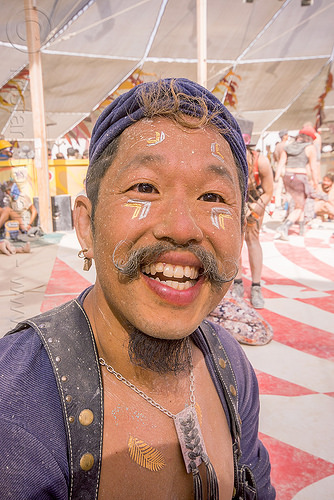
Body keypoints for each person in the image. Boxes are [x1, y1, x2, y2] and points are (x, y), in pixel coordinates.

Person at [0, 78, 275, 499]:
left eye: (213, 196)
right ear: (86, 226)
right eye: (145, 188)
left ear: (241, 230)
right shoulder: (17, 405)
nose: (182, 228)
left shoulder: (231, 368)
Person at [232, 145, 273, 309]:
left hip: (257, 201)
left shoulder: (261, 162)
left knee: (252, 238)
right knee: (236, 239)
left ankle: (256, 286)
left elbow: (269, 192)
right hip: (238, 198)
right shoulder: (231, 155)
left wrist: (254, 209)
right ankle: (237, 282)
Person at [274, 126, 318, 239]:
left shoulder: (288, 147)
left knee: (300, 204)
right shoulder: (310, 148)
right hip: (300, 178)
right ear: (310, 138)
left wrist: (276, 179)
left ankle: (301, 230)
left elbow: (281, 164)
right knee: (299, 206)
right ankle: (284, 227)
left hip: (288, 178)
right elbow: (313, 168)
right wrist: (316, 183)